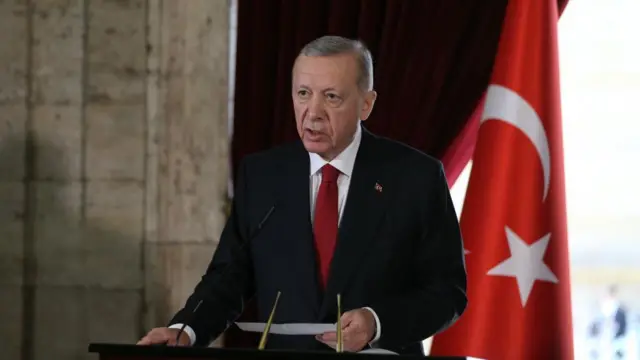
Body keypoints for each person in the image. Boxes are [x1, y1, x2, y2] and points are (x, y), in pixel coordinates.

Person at [137, 35, 467, 355]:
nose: (313, 111)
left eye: (331, 97)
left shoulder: (415, 177)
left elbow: (447, 292)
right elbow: (229, 276)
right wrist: (186, 329)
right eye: (303, 94)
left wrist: (377, 322)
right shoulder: (264, 175)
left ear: (366, 104)